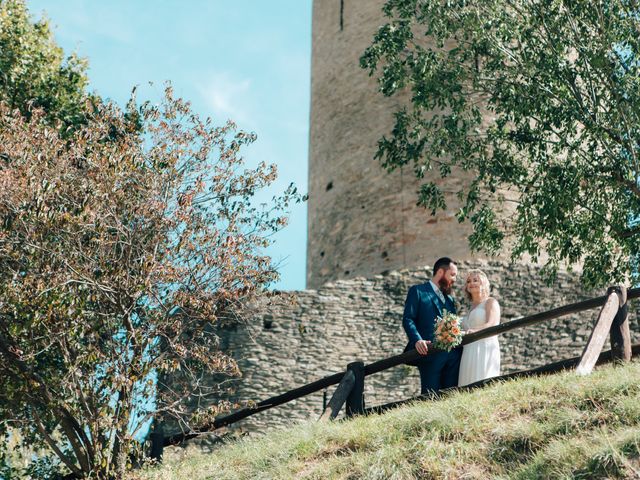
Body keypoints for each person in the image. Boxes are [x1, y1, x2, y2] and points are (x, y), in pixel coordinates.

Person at [402, 257, 462, 394]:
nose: (455, 279)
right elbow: (408, 319)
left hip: (452, 357)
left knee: (452, 395)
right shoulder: (418, 291)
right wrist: (417, 340)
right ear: (440, 272)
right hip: (429, 354)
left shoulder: (450, 299)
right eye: (452, 275)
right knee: (429, 398)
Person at [458, 269, 501, 386]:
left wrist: (473, 332)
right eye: (468, 281)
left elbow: (492, 324)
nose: (471, 283)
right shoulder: (470, 308)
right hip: (469, 349)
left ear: (483, 283)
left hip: (485, 347)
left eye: (475, 280)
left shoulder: (490, 302)